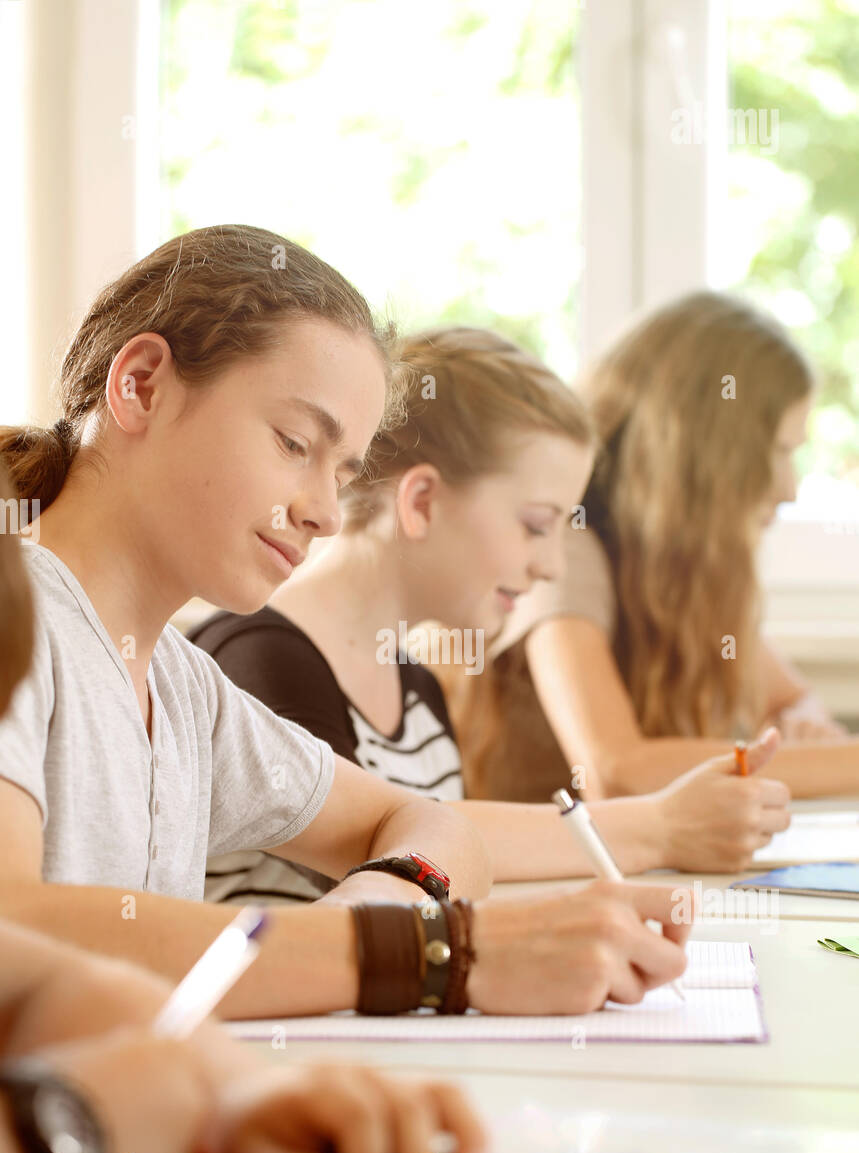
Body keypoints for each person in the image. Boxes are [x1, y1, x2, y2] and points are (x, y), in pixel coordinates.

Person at [0, 226, 688, 1019]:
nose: (325, 513)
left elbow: (428, 821)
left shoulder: (187, 692)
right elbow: (13, 935)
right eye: (295, 442)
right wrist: (426, 957)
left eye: (343, 472)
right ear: (143, 385)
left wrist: (359, 928)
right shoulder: (19, 619)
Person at [0, 460, 486, 1153]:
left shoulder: (179, 677)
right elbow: (22, 921)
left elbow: (42, 977)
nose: (325, 512)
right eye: (295, 442)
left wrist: (237, 1095)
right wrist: (65, 1130)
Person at [190, 325, 789, 902]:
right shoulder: (259, 660)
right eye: (535, 526)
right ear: (421, 502)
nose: (552, 566)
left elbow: (451, 883)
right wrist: (657, 825)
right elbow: (385, 856)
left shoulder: (417, 687)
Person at [464, 292, 859, 803]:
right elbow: (616, 771)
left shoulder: (686, 573)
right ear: (700, 454)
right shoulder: (566, 548)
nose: (790, 489)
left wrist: (801, 722)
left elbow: (794, 697)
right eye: (777, 452)